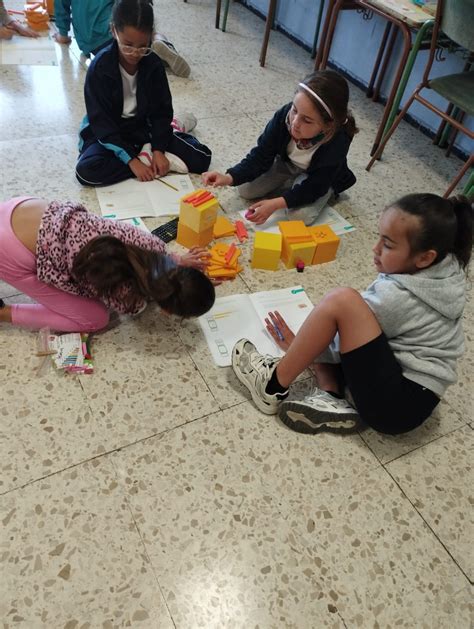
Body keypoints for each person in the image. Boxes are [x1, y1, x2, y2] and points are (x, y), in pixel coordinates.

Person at [232, 193, 472, 435]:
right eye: (379, 238)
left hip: (398, 404)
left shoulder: (398, 297)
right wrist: (311, 341)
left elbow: (343, 328)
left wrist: (298, 347)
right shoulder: (442, 269)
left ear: (424, 257)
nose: (375, 248)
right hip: (411, 394)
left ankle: (271, 385)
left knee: (341, 301)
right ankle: (331, 395)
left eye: (387, 244)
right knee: (323, 332)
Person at [0, 196, 215, 332]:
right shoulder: (128, 299)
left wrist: (178, 259)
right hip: (8, 249)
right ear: (167, 312)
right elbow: (130, 303)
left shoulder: (156, 245)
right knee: (95, 318)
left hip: (24, 208)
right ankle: (3, 313)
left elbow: (155, 263)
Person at [75, 0, 210, 187]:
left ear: (151, 38)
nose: (135, 54)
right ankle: (144, 158)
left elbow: (161, 111)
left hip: (142, 128)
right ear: (114, 31)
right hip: (111, 133)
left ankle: (158, 145)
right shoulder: (100, 67)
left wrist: (158, 150)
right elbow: (101, 123)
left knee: (201, 158)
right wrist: (133, 161)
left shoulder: (153, 64)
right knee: (87, 172)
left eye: (143, 46)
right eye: (128, 45)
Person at [202, 70, 357, 226]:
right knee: (245, 190)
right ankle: (292, 182)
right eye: (295, 110)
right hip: (288, 163)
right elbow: (260, 155)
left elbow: (315, 186)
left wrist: (276, 203)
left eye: (307, 120)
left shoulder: (338, 139)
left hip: (317, 178)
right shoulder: (284, 116)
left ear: (327, 126)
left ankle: (325, 189)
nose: (295, 122)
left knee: (300, 216)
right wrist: (228, 177)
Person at [54, 0, 191, 76]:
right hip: (118, 30)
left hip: (91, 42)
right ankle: (158, 41)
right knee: (142, 34)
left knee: (124, 53)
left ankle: (148, 49)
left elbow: (61, 5)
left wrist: (63, 34)